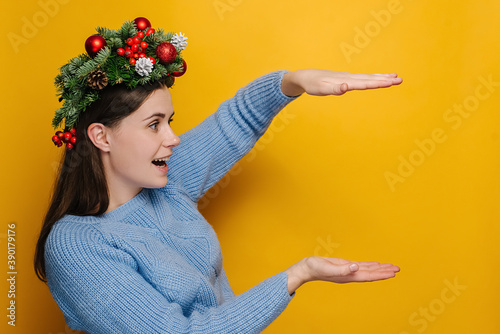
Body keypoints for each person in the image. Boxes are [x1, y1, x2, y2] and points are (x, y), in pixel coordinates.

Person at [34, 17, 402, 334]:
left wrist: (294, 81)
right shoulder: (77, 245)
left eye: (170, 121)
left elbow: (236, 121)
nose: (173, 138)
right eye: (154, 125)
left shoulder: (164, 183)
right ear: (101, 136)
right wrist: (296, 275)